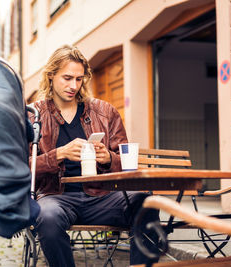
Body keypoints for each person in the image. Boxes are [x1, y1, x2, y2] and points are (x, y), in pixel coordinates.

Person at [28, 45, 159, 266]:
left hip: (103, 198)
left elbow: (127, 163)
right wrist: (57, 155)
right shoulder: (33, 115)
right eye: (67, 78)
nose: (73, 86)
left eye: (79, 79)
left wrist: (108, 158)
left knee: (146, 203)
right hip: (56, 197)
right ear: (51, 76)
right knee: (47, 216)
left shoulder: (105, 112)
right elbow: (19, 167)